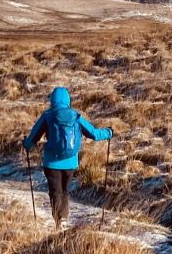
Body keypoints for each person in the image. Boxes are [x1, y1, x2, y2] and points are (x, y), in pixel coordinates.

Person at [22, 86, 113, 228]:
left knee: (55, 192)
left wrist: (26, 144)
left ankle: (59, 221)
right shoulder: (75, 116)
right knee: (65, 191)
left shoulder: (47, 116)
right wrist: (108, 132)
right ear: (67, 100)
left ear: (53, 100)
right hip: (71, 162)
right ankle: (63, 217)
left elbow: (33, 138)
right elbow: (94, 133)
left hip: (52, 163)